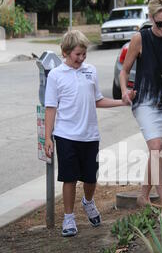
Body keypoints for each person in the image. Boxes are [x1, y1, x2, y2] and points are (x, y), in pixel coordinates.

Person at [45, 30, 133, 237]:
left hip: (90, 135)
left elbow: (97, 100)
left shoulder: (90, 71)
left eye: (84, 54)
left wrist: (122, 101)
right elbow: (51, 107)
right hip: (66, 135)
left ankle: (88, 201)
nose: (82, 58)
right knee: (69, 178)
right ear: (65, 52)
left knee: (91, 178)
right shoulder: (56, 75)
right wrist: (48, 137)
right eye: (77, 54)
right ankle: (68, 217)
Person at [120, 0, 162, 222]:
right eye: (160, 24)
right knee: (156, 148)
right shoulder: (140, 38)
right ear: (151, 19)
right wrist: (125, 91)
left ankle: (143, 196)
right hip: (145, 100)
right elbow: (124, 70)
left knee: (158, 153)